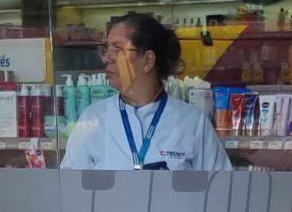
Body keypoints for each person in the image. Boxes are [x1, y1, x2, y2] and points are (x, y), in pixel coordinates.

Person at [62, 12, 231, 172]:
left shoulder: (192, 123)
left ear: (148, 60)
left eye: (118, 49)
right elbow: (70, 188)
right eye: (106, 49)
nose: (107, 58)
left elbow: (220, 189)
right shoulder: (93, 120)